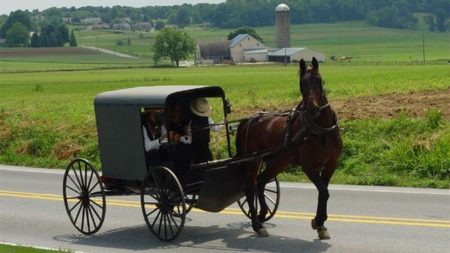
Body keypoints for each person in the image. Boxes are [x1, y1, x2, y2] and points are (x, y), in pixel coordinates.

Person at [189, 97, 222, 164]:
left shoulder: (191, 121)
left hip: (194, 149)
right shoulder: (208, 120)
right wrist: (223, 121)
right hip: (205, 149)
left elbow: (189, 135)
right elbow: (216, 128)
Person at [166, 105, 192, 175]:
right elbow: (171, 136)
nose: (178, 113)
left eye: (179, 111)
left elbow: (187, 132)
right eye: (176, 111)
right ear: (172, 112)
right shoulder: (169, 124)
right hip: (175, 145)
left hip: (185, 142)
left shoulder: (183, 122)